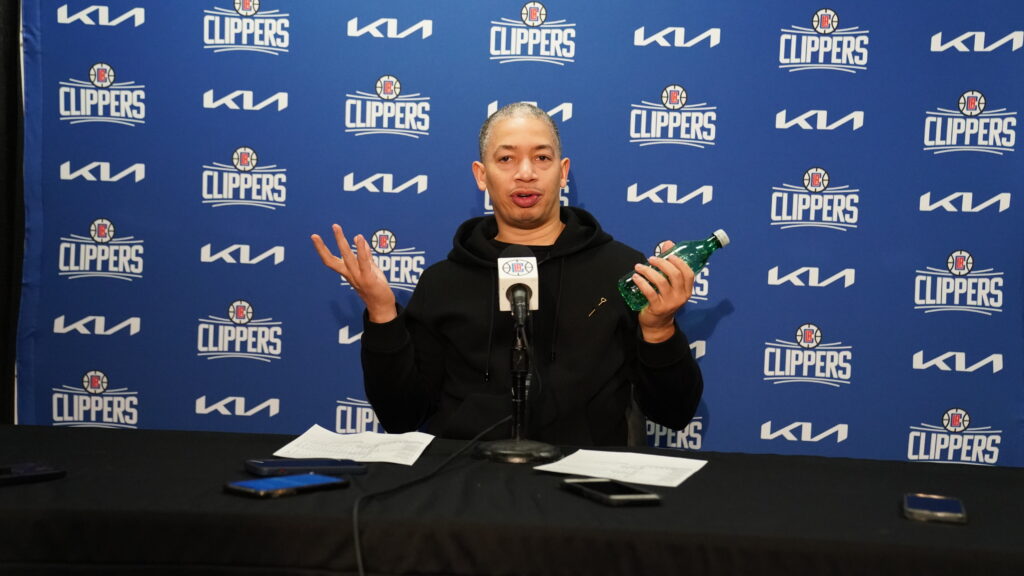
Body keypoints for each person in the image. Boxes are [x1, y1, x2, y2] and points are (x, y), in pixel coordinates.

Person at [312, 103, 702, 446]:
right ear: (481, 175)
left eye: (542, 158)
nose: (526, 173)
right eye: (506, 160)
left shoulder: (620, 269)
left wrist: (659, 330)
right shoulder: (443, 282)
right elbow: (402, 417)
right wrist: (382, 313)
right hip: (467, 480)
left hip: (581, 485)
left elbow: (674, 413)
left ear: (563, 172)